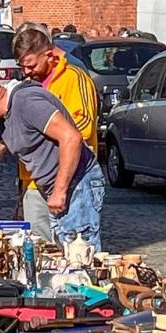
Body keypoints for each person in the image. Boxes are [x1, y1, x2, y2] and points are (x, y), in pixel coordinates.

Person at [0, 71, 104, 249]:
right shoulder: (1, 121)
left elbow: (71, 138)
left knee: (79, 253)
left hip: (78, 182)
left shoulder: (26, 102)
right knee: (56, 254)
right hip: (52, 186)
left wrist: (59, 191)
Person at [12, 27, 99, 238]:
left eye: (31, 65)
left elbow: (85, 126)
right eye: (22, 67)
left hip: (74, 178)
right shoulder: (27, 86)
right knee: (38, 248)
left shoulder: (74, 77)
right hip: (34, 182)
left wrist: (50, 131)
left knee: (77, 248)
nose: (26, 72)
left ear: (49, 55)